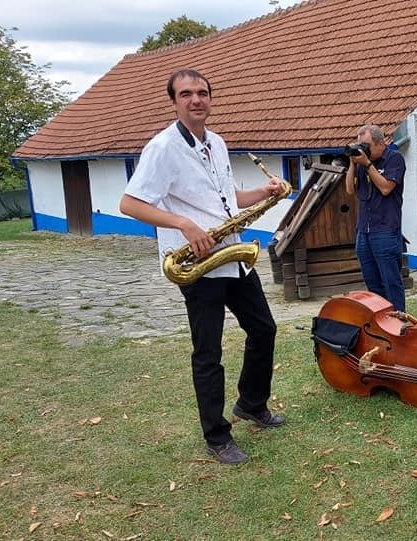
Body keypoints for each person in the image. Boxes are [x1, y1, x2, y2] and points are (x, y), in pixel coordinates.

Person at [120, 69, 286, 466]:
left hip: (231, 254)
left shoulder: (217, 142)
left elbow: (227, 198)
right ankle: (217, 437)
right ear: (173, 101)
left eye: (203, 93)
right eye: (187, 94)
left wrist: (262, 193)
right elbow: (129, 204)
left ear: (211, 99)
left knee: (264, 328)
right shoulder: (161, 148)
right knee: (208, 352)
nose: (196, 99)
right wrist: (183, 224)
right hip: (198, 265)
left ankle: (251, 403)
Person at [344, 125, 407, 312]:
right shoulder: (362, 164)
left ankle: (399, 323)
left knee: (391, 282)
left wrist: (368, 165)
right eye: (360, 145)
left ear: (381, 143)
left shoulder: (394, 159)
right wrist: (353, 163)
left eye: (366, 145)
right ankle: (381, 322)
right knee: (373, 284)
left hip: (386, 231)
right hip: (364, 231)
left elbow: (386, 188)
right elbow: (349, 189)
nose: (364, 150)